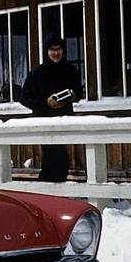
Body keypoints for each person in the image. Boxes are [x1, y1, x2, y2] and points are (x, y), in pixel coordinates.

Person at [20, 32, 83, 182]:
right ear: (46, 51)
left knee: (61, 161)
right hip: (44, 122)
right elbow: (24, 98)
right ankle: (47, 195)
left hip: (64, 120)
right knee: (54, 159)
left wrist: (72, 96)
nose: (56, 53)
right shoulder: (36, 74)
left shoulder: (70, 70)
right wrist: (46, 102)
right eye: (52, 49)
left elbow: (79, 92)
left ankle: (52, 195)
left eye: (59, 49)